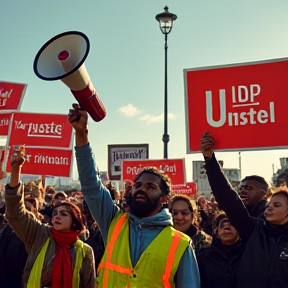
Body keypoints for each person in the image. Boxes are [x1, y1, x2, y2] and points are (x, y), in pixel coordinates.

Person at [68, 103, 200, 288]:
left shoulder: (181, 245)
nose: (141, 189)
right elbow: (91, 186)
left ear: (164, 198)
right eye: (137, 185)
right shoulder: (114, 222)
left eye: (150, 186)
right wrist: (81, 134)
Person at [200, 132, 288, 288]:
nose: (270, 207)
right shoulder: (253, 229)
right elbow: (227, 196)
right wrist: (209, 159)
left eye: (277, 205)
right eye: (270, 204)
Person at [4, 149, 96, 288]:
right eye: (55, 213)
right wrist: (16, 170)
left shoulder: (85, 251)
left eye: (64, 214)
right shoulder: (39, 234)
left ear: (75, 223)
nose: (57, 216)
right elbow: (15, 213)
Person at [196, 211, 244, 288]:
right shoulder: (204, 257)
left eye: (231, 225)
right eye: (222, 226)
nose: (226, 229)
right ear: (216, 231)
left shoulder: (250, 254)